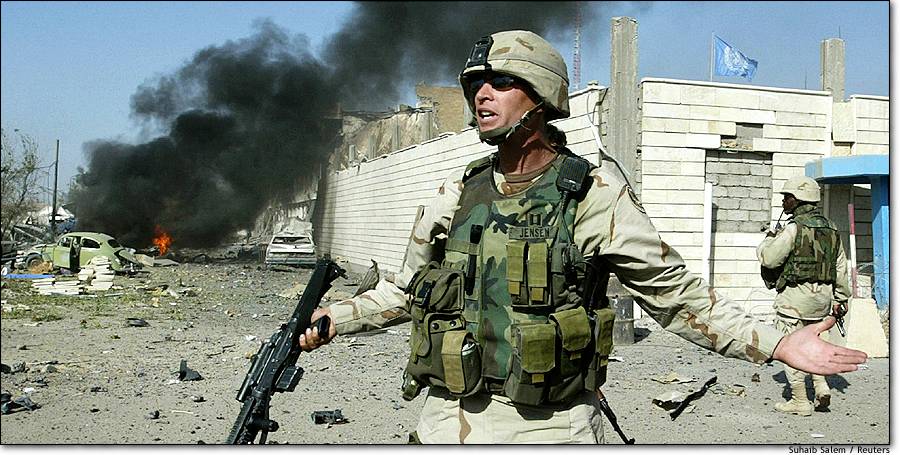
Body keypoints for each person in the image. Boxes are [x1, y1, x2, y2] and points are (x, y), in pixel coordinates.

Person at [299, 30, 867, 443]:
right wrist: (333, 319)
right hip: (445, 422)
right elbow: (407, 290)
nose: (482, 94)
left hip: (548, 427)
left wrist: (777, 343)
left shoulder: (592, 196)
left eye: (502, 82)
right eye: (475, 84)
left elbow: (677, 298)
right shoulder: (458, 191)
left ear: (542, 95)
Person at [757, 176, 851, 416]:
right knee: (813, 343)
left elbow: (769, 259)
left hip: (794, 300)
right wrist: (841, 299)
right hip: (822, 300)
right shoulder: (831, 228)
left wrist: (768, 240)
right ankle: (821, 386)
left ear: (798, 199)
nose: (783, 202)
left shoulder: (794, 228)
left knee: (791, 347)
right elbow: (840, 267)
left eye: (787, 197)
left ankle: (799, 400)